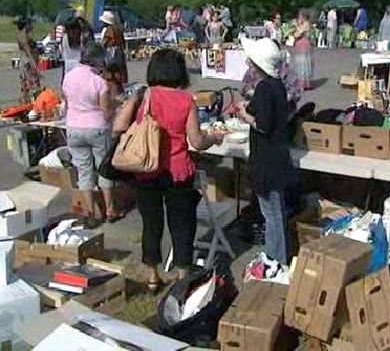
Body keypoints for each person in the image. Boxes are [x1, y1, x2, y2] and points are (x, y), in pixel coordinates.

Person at [112, 49, 224, 290]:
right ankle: (182, 274)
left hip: (146, 168)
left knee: (151, 223)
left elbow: (118, 125)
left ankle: (152, 275)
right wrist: (213, 138)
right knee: (182, 223)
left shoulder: (143, 94)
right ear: (179, 71)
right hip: (177, 170)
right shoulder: (185, 100)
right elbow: (196, 141)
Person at [237, 37, 291, 274]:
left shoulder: (265, 88)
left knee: (271, 213)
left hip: (266, 158)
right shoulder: (277, 85)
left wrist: (244, 115)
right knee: (276, 211)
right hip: (277, 155)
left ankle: (275, 259)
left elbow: (263, 124)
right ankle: (279, 256)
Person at [63, 43, 117, 226]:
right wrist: (116, 108)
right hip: (96, 127)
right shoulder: (99, 82)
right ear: (98, 61)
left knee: (84, 171)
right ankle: (110, 208)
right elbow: (106, 112)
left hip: (73, 127)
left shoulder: (68, 77)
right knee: (104, 169)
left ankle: (90, 211)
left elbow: (67, 103)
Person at [100, 10, 128, 98]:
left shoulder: (109, 31)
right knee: (118, 79)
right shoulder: (118, 30)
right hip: (119, 56)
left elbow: (104, 44)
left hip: (111, 57)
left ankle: (114, 97)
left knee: (111, 78)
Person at [15, 16, 41, 103]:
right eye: (29, 23)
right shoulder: (23, 38)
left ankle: (28, 102)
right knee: (31, 87)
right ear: (25, 25)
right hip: (27, 64)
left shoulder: (27, 35)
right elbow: (29, 54)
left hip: (29, 62)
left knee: (27, 86)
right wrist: (36, 69)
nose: (31, 25)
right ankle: (29, 104)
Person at [291, 9, 314, 90]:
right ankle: (301, 82)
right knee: (299, 64)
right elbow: (295, 34)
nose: (298, 17)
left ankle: (305, 84)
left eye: (300, 16)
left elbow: (298, 33)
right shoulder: (302, 24)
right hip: (299, 45)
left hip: (304, 45)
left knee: (304, 64)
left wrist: (296, 25)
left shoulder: (306, 24)